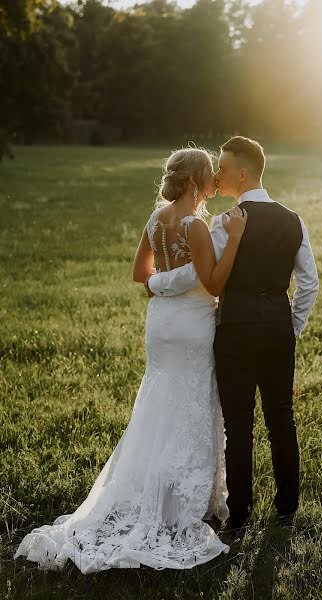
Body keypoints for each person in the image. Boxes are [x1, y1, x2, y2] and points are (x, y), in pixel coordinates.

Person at [14, 147, 247, 573]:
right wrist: (231, 242)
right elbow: (213, 280)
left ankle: (156, 485)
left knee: (159, 401)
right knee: (193, 399)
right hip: (192, 325)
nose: (216, 180)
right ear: (196, 181)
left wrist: (163, 283)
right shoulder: (195, 225)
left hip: (160, 325)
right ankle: (185, 499)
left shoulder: (156, 220)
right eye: (211, 174)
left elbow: (141, 274)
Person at [146, 136, 319, 533]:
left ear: (243, 173)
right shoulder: (294, 220)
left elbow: (209, 280)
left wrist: (156, 284)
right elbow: (309, 283)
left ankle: (239, 513)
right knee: (282, 419)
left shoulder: (223, 223)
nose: (217, 173)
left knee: (238, 424)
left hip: (236, 330)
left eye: (222, 167)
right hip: (277, 327)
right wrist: (291, 326)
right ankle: (287, 508)